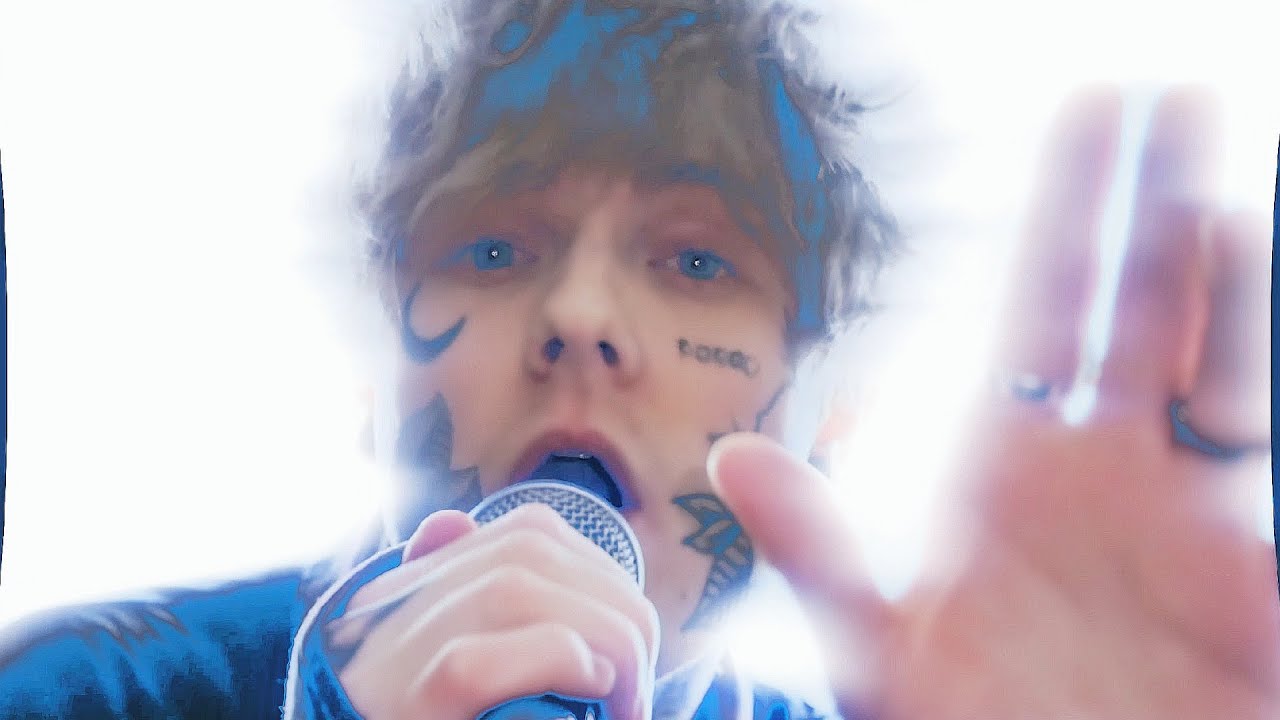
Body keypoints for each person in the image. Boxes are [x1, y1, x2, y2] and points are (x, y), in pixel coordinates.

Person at [1, 1, 1275, 719]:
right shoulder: (93, 695)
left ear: (828, 407)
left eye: (696, 262)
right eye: (494, 249)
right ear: (384, 363)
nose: (577, 315)